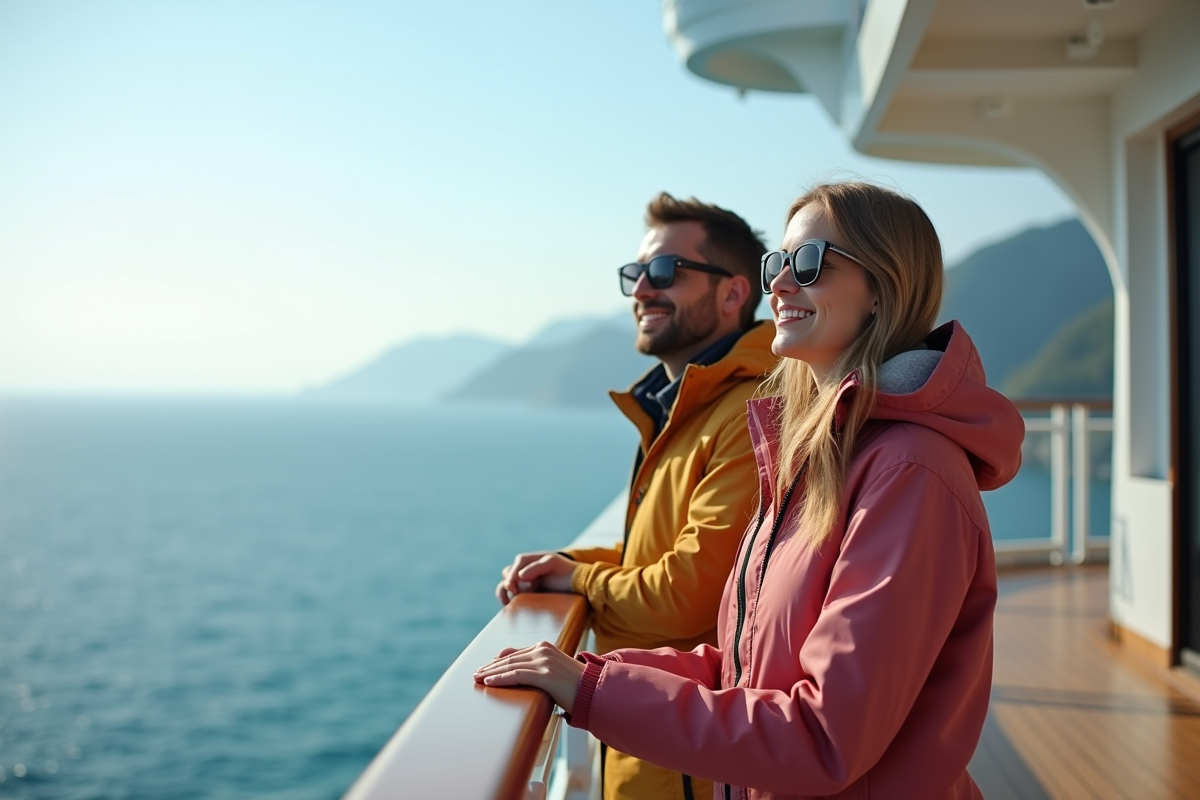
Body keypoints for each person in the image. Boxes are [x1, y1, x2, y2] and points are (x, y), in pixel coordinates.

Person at [476, 181, 1025, 800]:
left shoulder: (909, 474)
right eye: (779, 264)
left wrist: (592, 690)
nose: (781, 286)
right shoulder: (821, 456)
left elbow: (825, 736)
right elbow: (747, 667)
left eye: (810, 263)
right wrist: (591, 675)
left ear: (882, 286)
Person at [494, 192, 778, 800]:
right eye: (637, 274)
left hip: (686, 765)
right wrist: (576, 566)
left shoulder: (749, 411)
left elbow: (685, 596)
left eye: (666, 272)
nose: (642, 290)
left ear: (733, 293)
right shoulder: (685, 406)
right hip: (647, 745)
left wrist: (581, 583)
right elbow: (661, 550)